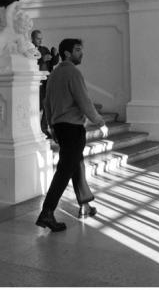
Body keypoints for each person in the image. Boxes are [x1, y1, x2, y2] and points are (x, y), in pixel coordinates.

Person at [37, 38, 107, 232]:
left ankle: (84, 205)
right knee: (65, 170)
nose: (81, 53)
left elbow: (47, 103)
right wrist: (99, 121)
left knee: (76, 165)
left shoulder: (54, 74)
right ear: (67, 53)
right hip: (73, 128)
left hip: (60, 126)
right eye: (77, 50)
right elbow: (84, 101)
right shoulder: (73, 73)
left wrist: (52, 126)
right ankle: (47, 212)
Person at [32, 29, 57, 138]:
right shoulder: (29, 49)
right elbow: (29, 63)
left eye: (41, 38)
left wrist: (54, 55)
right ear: (32, 38)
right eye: (38, 38)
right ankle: (34, 129)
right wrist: (42, 59)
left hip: (47, 80)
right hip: (35, 82)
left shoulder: (45, 49)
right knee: (37, 106)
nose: (40, 41)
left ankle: (44, 128)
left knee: (47, 105)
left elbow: (53, 63)